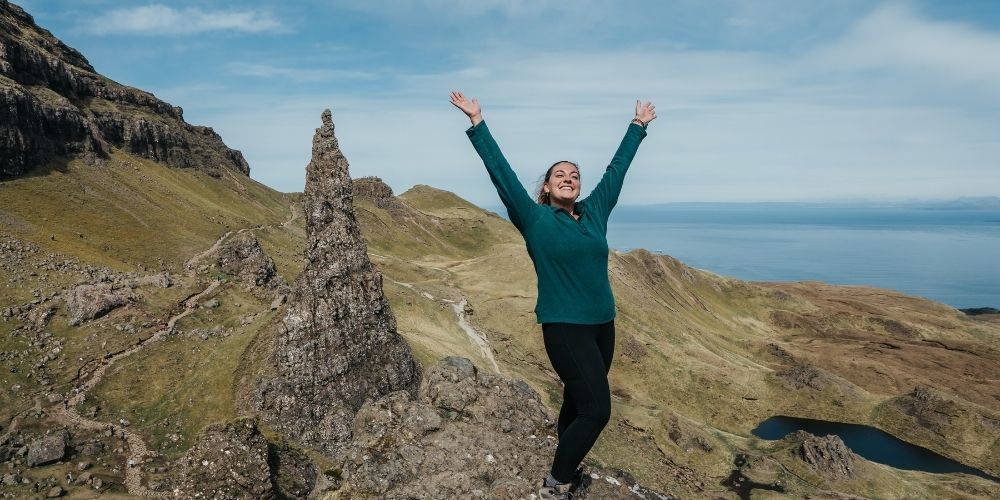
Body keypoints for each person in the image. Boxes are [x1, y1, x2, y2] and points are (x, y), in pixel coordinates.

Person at [449, 91, 655, 499]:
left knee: (578, 403)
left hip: (602, 325)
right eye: (559, 174)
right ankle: (556, 483)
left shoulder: (594, 214)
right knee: (598, 410)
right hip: (566, 327)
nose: (568, 178)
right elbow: (502, 174)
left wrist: (638, 127)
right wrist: (478, 122)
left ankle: (566, 463)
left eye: (574, 175)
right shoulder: (536, 219)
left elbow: (617, 171)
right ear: (546, 186)